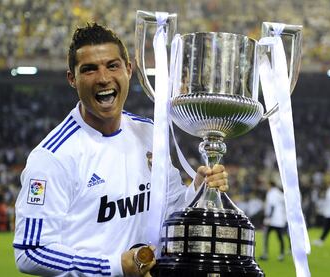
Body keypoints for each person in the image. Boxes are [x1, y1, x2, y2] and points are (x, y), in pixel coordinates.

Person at [12, 22, 229, 277]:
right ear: (73, 78)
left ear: (129, 69)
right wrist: (114, 267)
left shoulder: (149, 133)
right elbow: (31, 251)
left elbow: (171, 210)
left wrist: (198, 189)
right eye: (90, 69)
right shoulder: (52, 157)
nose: (103, 78)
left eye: (112, 65)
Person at [259, 181, 288, 261]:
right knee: (280, 237)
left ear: (270, 185)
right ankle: (282, 254)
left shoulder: (271, 193)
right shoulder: (279, 193)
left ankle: (265, 254)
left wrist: (269, 217)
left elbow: (272, 206)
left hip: (272, 220)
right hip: (280, 219)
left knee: (266, 236)